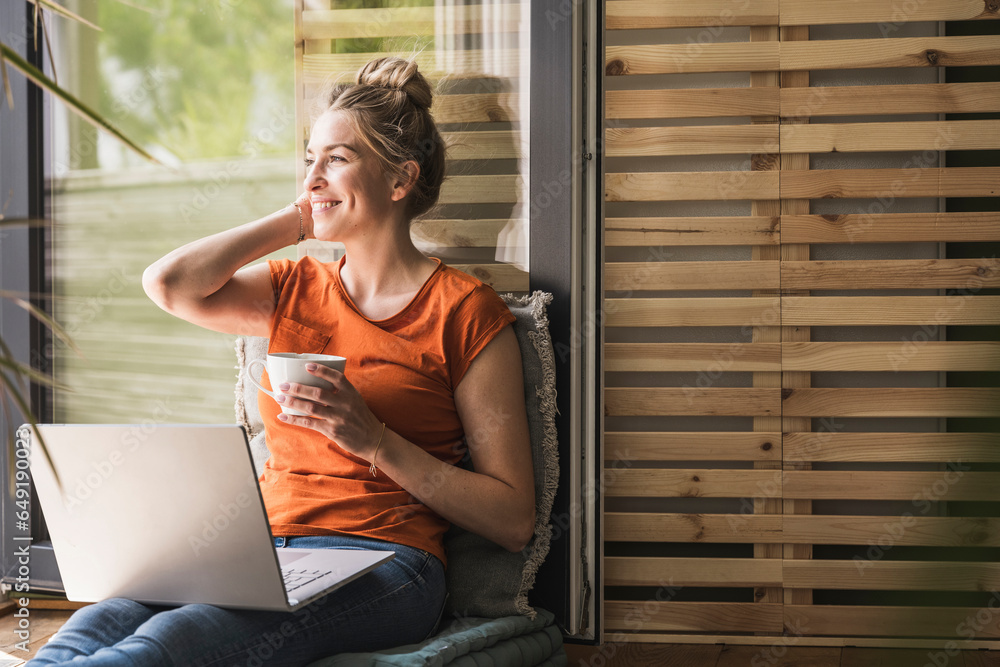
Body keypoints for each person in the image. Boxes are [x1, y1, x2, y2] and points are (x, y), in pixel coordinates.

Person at [28, 57, 535, 667]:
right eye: (309, 160)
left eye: (338, 159)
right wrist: (305, 213)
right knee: (100, 621)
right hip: (264, 552)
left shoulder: (464, 311)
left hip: (387, 562)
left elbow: (512, 519)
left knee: (169, 642)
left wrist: (373, 439)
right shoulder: (293, 285)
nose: (314, 176)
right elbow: (169, 284)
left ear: (401, 180)